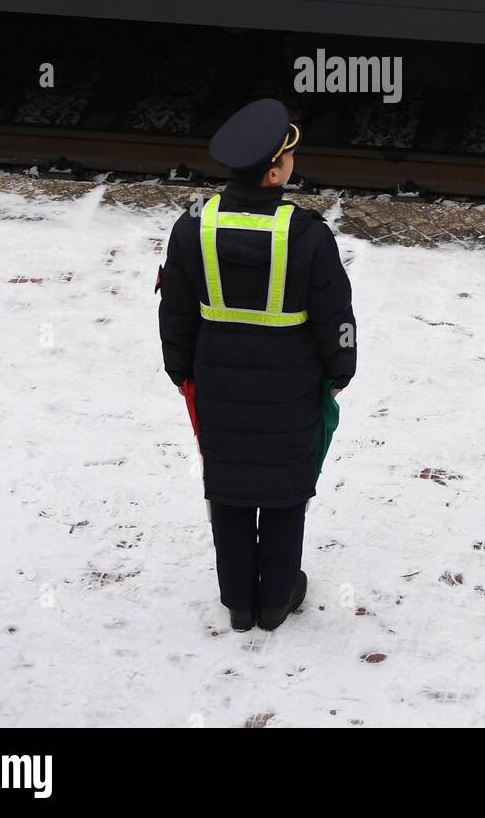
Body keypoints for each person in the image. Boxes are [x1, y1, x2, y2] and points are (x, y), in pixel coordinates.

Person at [157, 99, 357, 632]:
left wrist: (182, 371)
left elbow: (175, 310)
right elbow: (334, 314)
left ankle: (240, 604)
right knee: (286, 490)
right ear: (275, 171)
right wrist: (340, 370)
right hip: (292, 384)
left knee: (227, 487)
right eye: (290, 156)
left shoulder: (192, 227)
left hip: (218, 380)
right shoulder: (308, 234)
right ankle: (277, 600)